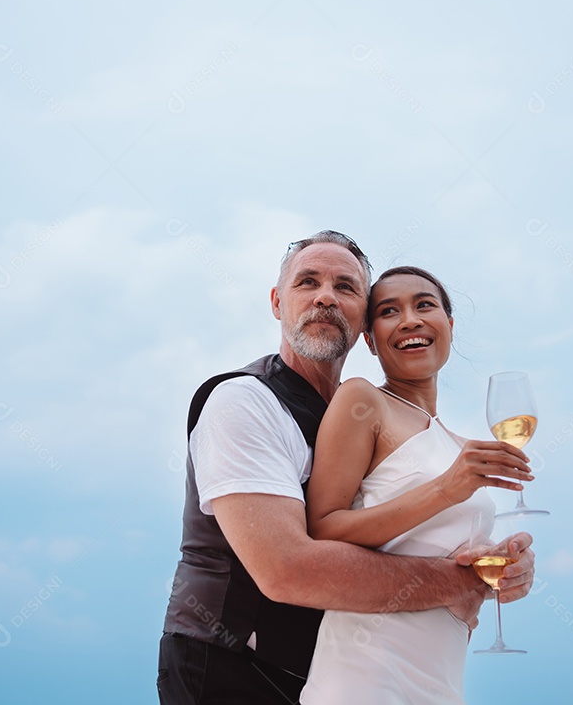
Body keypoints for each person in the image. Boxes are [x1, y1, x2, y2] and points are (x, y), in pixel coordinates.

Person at [158, 232, 536, 704]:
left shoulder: (357, 420)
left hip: (322, 672)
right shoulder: (244, 400)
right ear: (277, 302)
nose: (324, 297)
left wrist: (501, 567)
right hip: (230, 670)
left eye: (346, 287)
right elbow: (286, 570)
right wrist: (462, 582)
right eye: (307, 282)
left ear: (361, 324)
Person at [299, 266, 533, 703]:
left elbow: (444, 560)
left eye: (425, 305)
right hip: (364, 678)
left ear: (449, 324)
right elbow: (322, 529)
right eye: (389, 311)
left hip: (440, 681)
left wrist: (505, 569)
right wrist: (447, 487)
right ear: (369, 338)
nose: (410, 320)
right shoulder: (362, 399)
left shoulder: (460, 446)